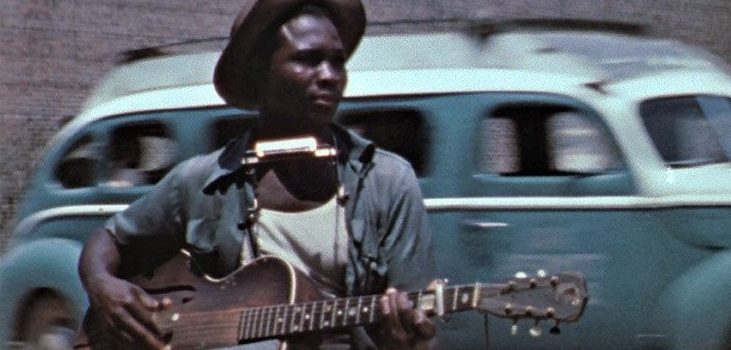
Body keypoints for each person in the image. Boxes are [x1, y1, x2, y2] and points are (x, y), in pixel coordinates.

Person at [78, 0, 436, 349]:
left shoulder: (388, 181)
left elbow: (420, 330)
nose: (329, 76)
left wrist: (403, 341)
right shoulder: (204, 180)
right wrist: (101, 284)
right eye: (307, 60)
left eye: (337, 62)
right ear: (261, 73)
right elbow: (109, 240)